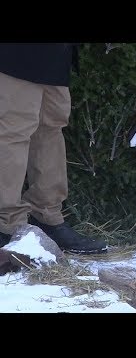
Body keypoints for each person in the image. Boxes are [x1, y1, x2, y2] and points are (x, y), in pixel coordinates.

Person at [0, 43, 107, 254]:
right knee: (13, 133)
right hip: (14, 54)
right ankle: (8, 226)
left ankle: (47, 217)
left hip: (56, 55)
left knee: (50, 132)